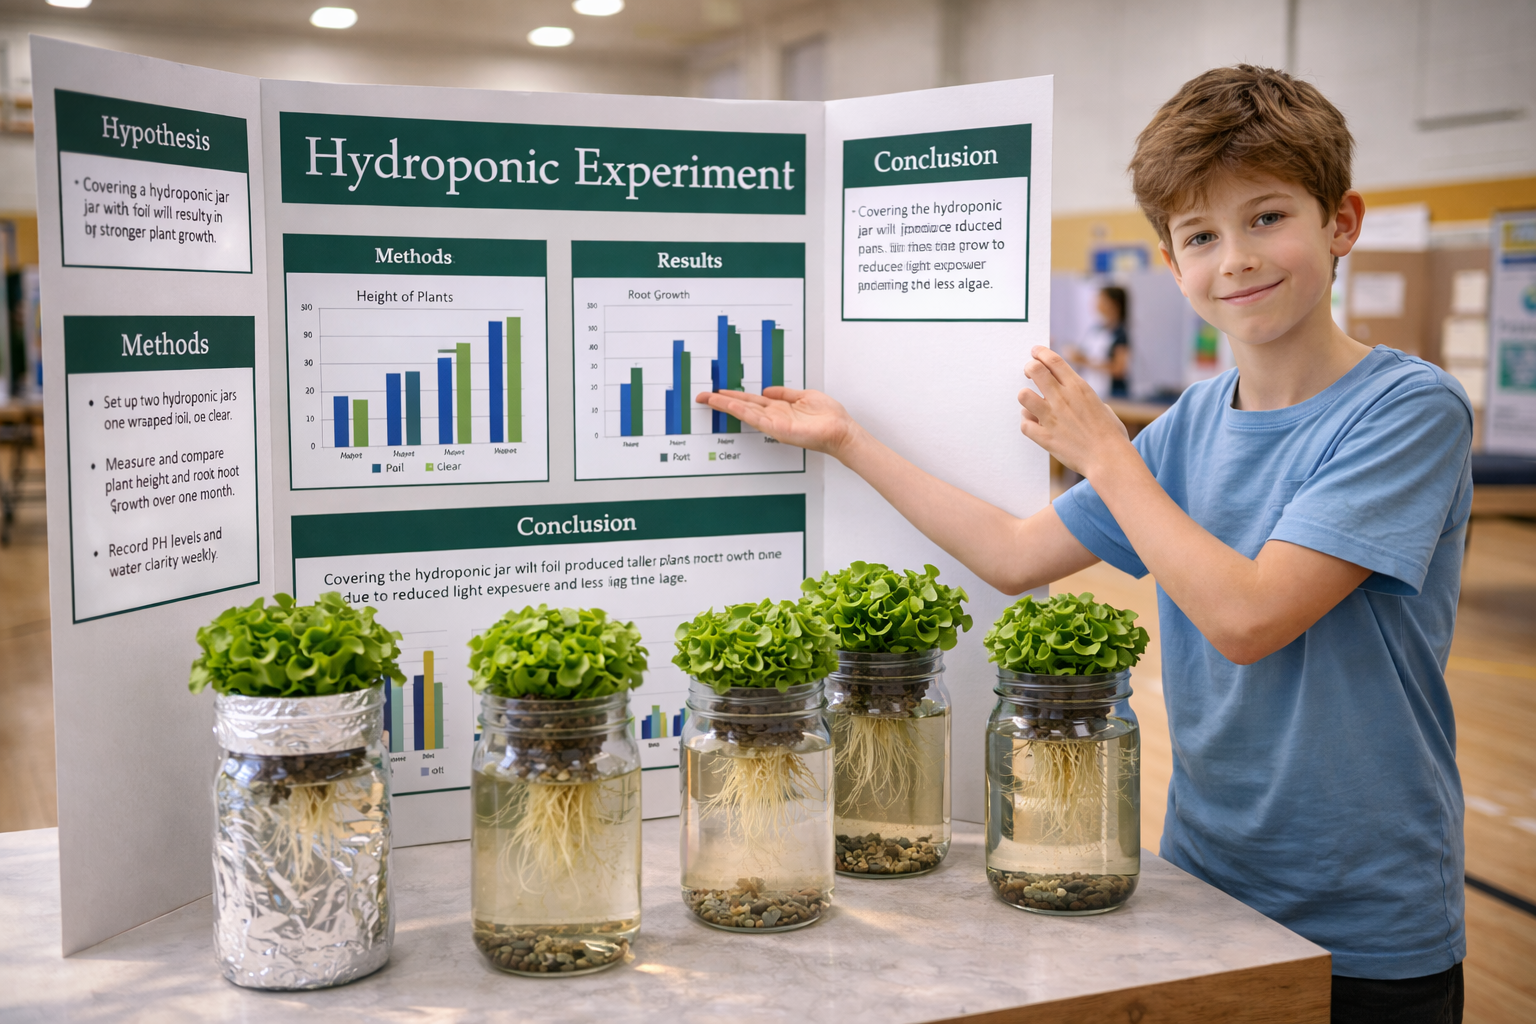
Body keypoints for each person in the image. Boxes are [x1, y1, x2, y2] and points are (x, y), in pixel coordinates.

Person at [701, 65, 1470, 1024]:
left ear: (1341, 223)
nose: (1236, 259)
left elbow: (1248, 619)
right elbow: (1014, 556)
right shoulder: (1195, 422)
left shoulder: (1408, 409)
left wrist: (1106, 454)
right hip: (1204, 880)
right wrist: (848, 440)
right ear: (1172, 261)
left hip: (1366, 915)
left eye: (1268, 218)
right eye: (1201, 236)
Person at [1065, 285, 1131, 398]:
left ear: (1114, 304)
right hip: (1092, 388)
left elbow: (1119, 369)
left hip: (1112, 393)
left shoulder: (1120, 334)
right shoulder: (1095, 330)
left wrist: (1085, 361)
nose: (1097, 304)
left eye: (1102, 300)